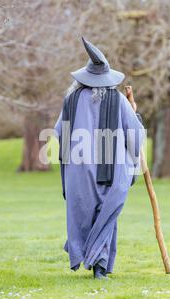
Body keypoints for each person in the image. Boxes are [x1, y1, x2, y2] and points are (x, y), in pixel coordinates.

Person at [55, 37, 145, 279]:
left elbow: (59, 135)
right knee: (106, 215)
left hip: (78, 173)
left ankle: (85, 253)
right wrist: (136, 117)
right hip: (111, 172)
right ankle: (100, 267)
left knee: (83, 213)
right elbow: (135, 136)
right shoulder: (117, 100)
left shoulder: (70, 101)